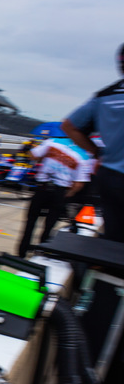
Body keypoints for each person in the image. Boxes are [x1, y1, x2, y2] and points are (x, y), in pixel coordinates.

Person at [61, 43, 124, 243]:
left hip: (112, 176)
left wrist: (97, 152)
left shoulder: (105, 96)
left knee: (114, 238)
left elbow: (69, 126)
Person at [17, 132, 92, 257]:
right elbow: (78, 184)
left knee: (30, 223)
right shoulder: (84, 156)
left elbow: (32, 156)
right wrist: (68, 194)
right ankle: (40, 254)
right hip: (60, 192)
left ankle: (21, 253)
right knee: (49, 226)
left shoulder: (53, 142)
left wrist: (43, 156)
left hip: (42, 188)